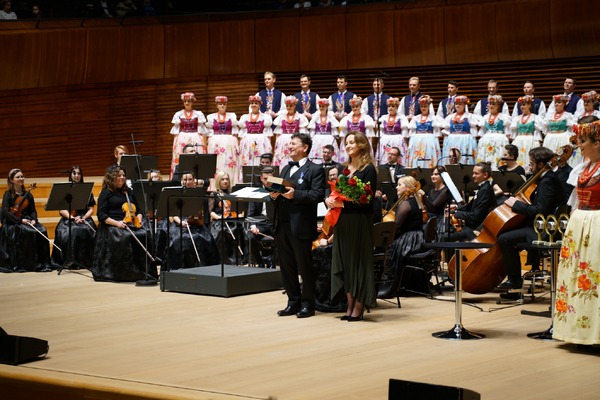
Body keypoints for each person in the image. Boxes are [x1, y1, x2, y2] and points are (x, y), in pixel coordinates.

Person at [553, 117, 600, 345]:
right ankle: (575, 331)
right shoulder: (584, 168)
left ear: (597, 143)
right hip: (580, 223)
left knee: (593, 276)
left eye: (583, 141)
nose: (578, 145)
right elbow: (574, 201)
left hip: (597, 223)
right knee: (575, 276)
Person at [497, 147, 567, 290]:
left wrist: (516, 204)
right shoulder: (546, 178)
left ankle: (514, 280)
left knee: (504, 239)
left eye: (531, 164)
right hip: (541, 225)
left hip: (544, 230)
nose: (529, 167)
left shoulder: (548, 181)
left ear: (541, 164)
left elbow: (540, 210)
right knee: (508, 234)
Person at [271, 133, 325, 318]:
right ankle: (293, 302)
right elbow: (279, 191)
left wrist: (297, 195)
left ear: (305, 147)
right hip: (282, 224)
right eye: (290, 143)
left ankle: (308, 304)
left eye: (294, 143)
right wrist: (273, 194)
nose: (290, 146)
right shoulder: (286, 168)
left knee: (304, 266)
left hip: (301, 225)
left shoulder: (315, 169)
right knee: (286, 266)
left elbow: (318, 194)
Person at [327, 131, 377, 321]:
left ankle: (359, 307)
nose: (348, 146)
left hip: (359, 222)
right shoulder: (343, 169)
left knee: (359, 263)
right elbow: (337, 193)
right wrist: (329, 200)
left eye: (352, 143)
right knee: (346, 264)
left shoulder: (368, 169)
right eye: (346, 143)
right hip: (343, 222)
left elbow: (368, 202)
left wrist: (343, 204)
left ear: (362, 145)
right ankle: (349, 307)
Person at [92, 166, 157, 282]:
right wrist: (117, 223)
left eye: (123, 175)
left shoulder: (129, 192)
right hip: (112, 224)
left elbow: (139, 210)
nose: (122, 177)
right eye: (119, 175)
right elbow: (101, 215)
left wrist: (139, 219)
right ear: (112, 177)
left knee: (144, 234)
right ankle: (126, 273)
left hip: (131, 223)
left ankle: (144, 271)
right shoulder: (106, 192)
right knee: (126, 236)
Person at [377, 175, 426, 299]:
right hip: (417, 236)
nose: (397, 187)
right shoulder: (415, 201)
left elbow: (396, 227)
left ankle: (386, 284)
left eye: (400, 185)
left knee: (388, 247)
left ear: (408, 188)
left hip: (410, 238)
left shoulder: (406, 204)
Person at [1, 169, 53, 272]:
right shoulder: (8, 194)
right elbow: (5, 212)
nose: (21, 178)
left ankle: (42, 263)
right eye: (18, 177)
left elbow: (33, 210)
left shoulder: (28, 194)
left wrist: (34, 220)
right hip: (14, 221)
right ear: (11, 180)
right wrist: (20, 220)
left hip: (28, 219)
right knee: (29, 231)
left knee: (42, 230)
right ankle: (30, 264)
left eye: (22, 176)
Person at [167, 172, 219, 270]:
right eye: (185, 179)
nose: (187, 182)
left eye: (190, 179)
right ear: (181, 181)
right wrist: (181, 222)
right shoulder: (176, 194)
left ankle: (204, 267)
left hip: (195, 222)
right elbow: (173, 214)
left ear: (194, 181)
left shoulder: (198, 194)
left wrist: (194, 220)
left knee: (205, 239)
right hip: (179, 223)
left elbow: (201, 215)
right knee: (178, 240)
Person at [51, 166, 97, 270]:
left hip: (84, 218)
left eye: (79, 173)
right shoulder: (65, 190)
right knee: (71, 231)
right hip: (69, 218)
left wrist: (83, 217)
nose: (76, 176)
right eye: (74, 173)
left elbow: (91, 209)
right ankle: (70, 261)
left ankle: (86, 261)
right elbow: (62, 210)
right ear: (70, 175)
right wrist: (72, 218)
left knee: (86, 230)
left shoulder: (87, 190)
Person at [450, 162, 496, 241]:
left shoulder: (485, 190)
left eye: (476, 173)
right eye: (473, 173)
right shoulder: (483, 187)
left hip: (476, 229)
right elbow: (470, 206)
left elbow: (476, 216)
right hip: (471, 225)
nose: (473, 176)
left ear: (485, 175)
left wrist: (458, 213)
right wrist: (455, 209)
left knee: (446, 236)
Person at [169, 92, 206, 179]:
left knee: (196, 157)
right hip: (182, 138)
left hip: (195, 137)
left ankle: (198, 179)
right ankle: (179, 178)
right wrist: (175, 145)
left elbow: (202, 132)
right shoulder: (178, 114)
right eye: (185, 101)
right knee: (181, 158)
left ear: (192, 102)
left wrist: (203, 145)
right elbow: (176, 132)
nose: (187, 103)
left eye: (189, 101)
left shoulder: (198, 114)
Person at [209, 171, 243, 265]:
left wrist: (238, 215)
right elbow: (211, 212)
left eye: (227, 179)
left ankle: (237, 259)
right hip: (219, 221)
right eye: (222, 179)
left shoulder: (232, 193)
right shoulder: (214, 194)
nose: (225, 181)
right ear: (218, 181)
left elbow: (236, 209)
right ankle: (223, 260)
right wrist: (219, 218)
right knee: (221, 232)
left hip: (230, 219)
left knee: (237, 228)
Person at [245, 167, 276, 269]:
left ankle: (272, 261)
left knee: (282, 237)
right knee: (250, 237)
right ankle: (260, 262)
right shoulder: (256, 192)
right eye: (265, 179)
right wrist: (253, 226)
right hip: (260, 223)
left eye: (270, 178)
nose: (268, 181)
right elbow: (250, 213)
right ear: (261, 179)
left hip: (274, 223)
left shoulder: (278, 190)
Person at [205, 96, 240, 184]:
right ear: (217, 105)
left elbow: (235, 133)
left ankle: (231, 183)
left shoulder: (231, 116)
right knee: (217, 163)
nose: (222, 106)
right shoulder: (211, 117)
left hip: (229, 143)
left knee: (229, 162)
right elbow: (208, 134)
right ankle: (215, 185)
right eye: (220, 104)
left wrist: (237, 145)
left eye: (224, 104)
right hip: (216, 143)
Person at [476, 95, 511, 170]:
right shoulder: (485, 117)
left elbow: (507, 133)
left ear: (498, 105)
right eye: (490, 104)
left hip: (499, 140)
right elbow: (482, 132)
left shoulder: (504, 117)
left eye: (493, 104)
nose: (491, 106)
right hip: (486, 141)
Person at [510, 95, 543, 173]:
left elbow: (538, 130)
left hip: (530, 139)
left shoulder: (535, 117)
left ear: (529, 105)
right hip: (519, 140)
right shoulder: (517, 118)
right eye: (521, 105)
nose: (522, 107)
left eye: (524, 105)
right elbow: (514, 132)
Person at [543, 94, 579, 166]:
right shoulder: (549, 116)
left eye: (559, 102)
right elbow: (545, 128)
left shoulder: (568, 115)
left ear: (564, 104)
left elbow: (572, 128)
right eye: (555, 102)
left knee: (561, 156)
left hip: (562, 137)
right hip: (550, 138)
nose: (556, 104)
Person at [407, 95, 442, 168]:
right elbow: (412, 134)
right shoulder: (415, 118)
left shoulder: (433, 118)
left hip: (430, 141)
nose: (423, 108)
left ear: (428, 106)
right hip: (417, 142)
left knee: (428, 157)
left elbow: (436, 135)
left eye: (425, 106)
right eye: (422, 106)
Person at [273, 96, 309, 167]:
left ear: (295, 106)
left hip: (295, 140)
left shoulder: (300, 117)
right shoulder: (281, 118)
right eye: (287, 106)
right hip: (283, 142)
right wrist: (276, 147)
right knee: (282, 159)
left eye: (291, 105)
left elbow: (302, 135)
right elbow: (278, 134)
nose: (289, 107)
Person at [442, 96, 479, 165]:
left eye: (460, 104)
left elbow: (473, 134)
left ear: (464, 105)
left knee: (464, 158)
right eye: (456, 104)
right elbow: (446, 133)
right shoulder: (450, 117)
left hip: (465, 141)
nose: (458, 106)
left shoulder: (469, 117)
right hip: (452, 141)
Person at [238, 95, 273, 167]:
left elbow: (268, 134)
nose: (254, 105)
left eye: (256, 103)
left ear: (259, 105)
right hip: (248, 141)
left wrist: (269, 146)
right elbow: (242, 134)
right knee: (247, 158)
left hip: (260, 140)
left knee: (260, 157)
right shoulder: (245, 117)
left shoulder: (265, 117)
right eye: (252, 103)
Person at [339, 97, 375, 164]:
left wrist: (368, 145)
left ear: (360, 106)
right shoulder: (347, 119)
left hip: (361, 143)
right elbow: (343, 136)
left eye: (356, 106)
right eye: (353, 107)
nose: (355, 108)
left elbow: (369, 136)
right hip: (350, 143)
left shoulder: (366, 118)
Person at [376, 97, 408, 166]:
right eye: (389, 106)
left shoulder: (401, 118)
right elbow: (380, 132)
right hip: (385, 140)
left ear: (396, 107)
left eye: (393, 106)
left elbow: (404, 133)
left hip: (397, 140)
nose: (391, 108)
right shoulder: (383, 118)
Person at [308, 99, 340, 164]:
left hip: (329, 138)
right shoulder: (316, 117)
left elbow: (334, 130)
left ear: (327, 107)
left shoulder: (331, 118)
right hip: (317, 139)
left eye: (323, 106)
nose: (321, 108)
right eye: (320, 106)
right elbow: (312, 130)